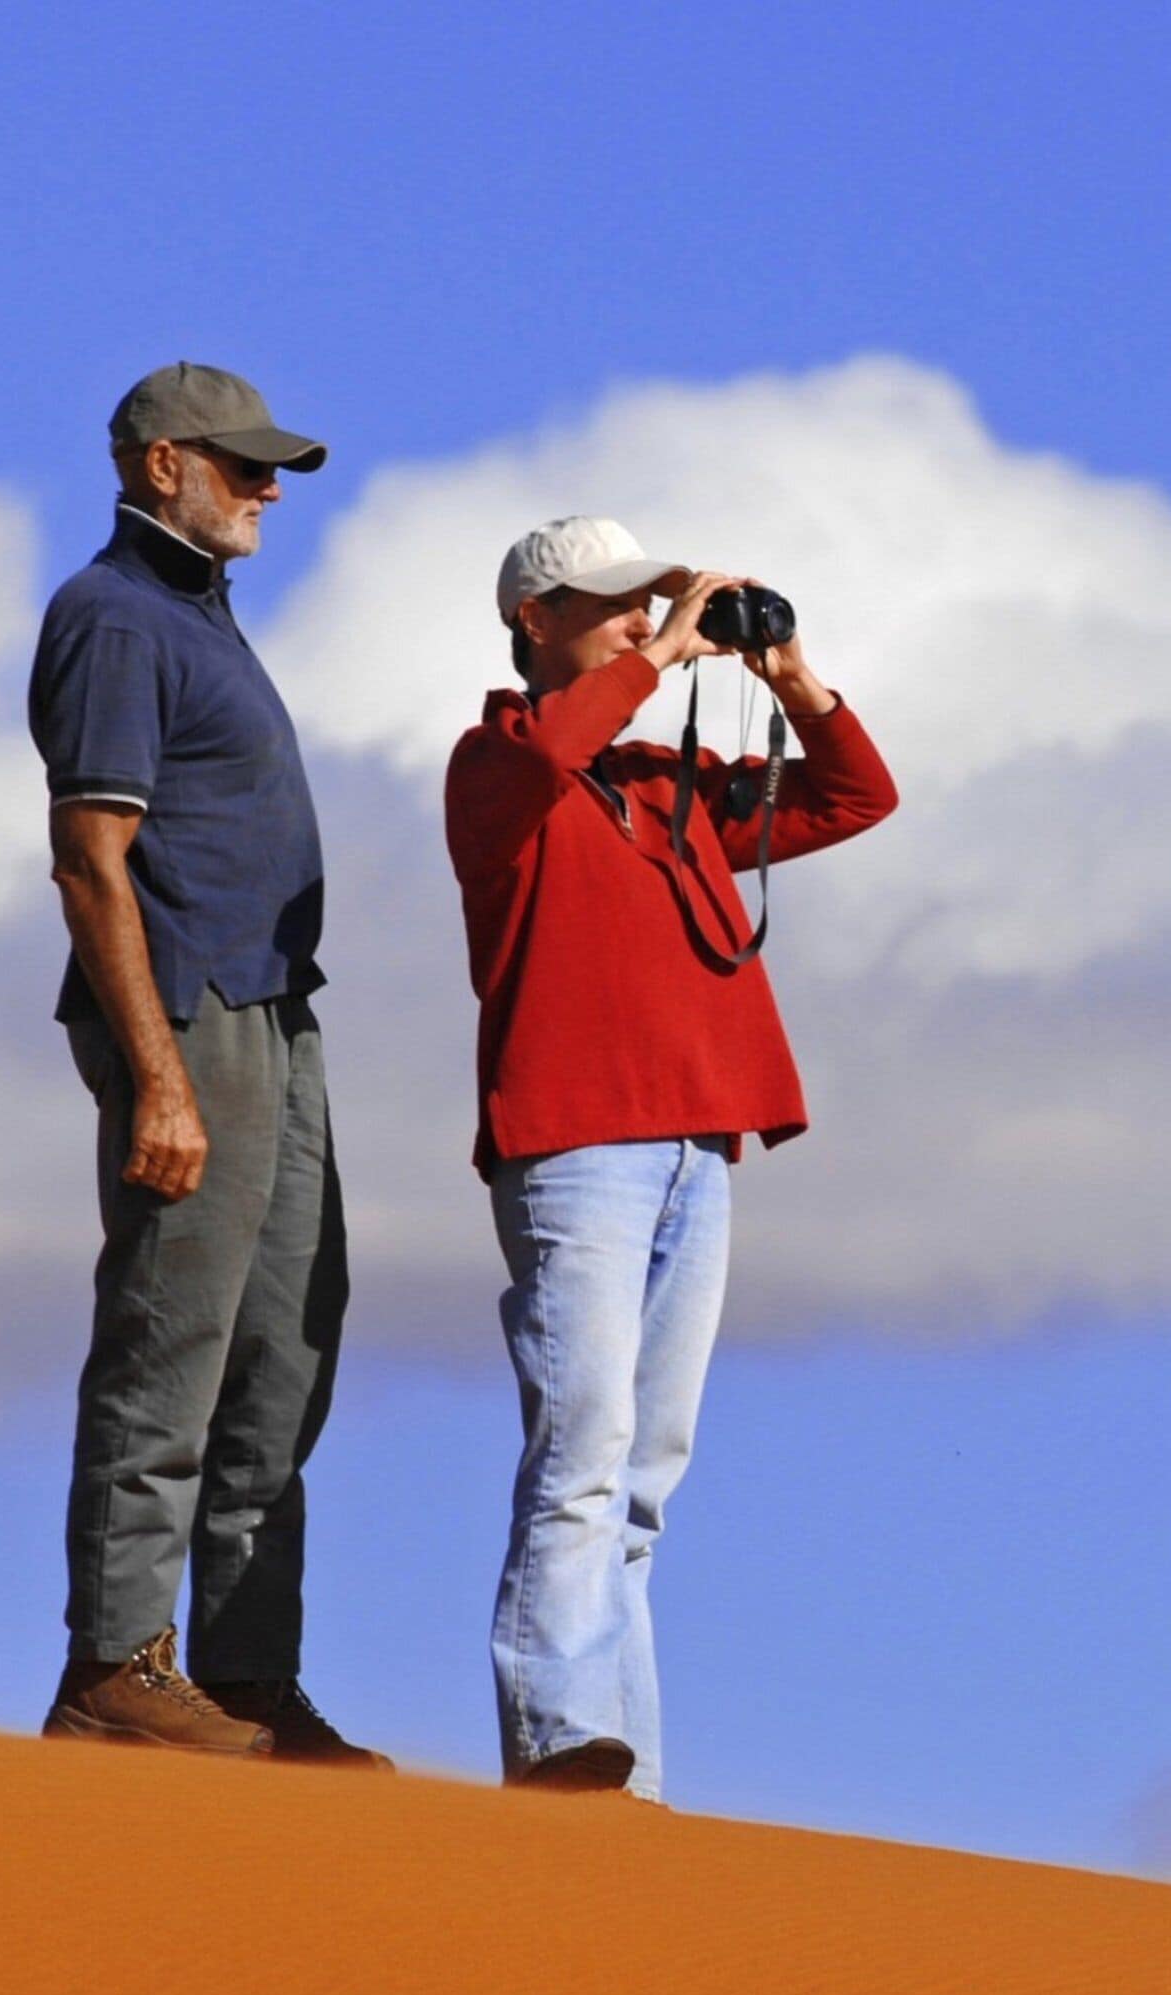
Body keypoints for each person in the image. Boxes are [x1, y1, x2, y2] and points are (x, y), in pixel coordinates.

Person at [450, 516, 899, 1799]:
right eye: (614, 606)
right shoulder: (496, 763)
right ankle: (556, 1739)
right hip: (578, 1144)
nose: (645, 621)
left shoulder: (666, 781)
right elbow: (547, 754)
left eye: (654, 603)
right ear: (534, 621)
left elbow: (857, 795)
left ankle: (624, 1771)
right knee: (583, 1449)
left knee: (645, 1477)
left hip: (702, 1141)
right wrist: (660, 661)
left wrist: (792, 678)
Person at [27, 362, 386, 1767]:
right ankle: (117, 1663)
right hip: (192, 1016)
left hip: (276, 1009)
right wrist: (160, 1074)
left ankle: (245, 1676)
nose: (268, 489)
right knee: (172, 1336)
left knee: (287, 1345)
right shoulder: (112, 617)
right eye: (242, 466)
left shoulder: (200, 617)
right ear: (158, 463)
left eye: (270, 467)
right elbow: (89, 859)